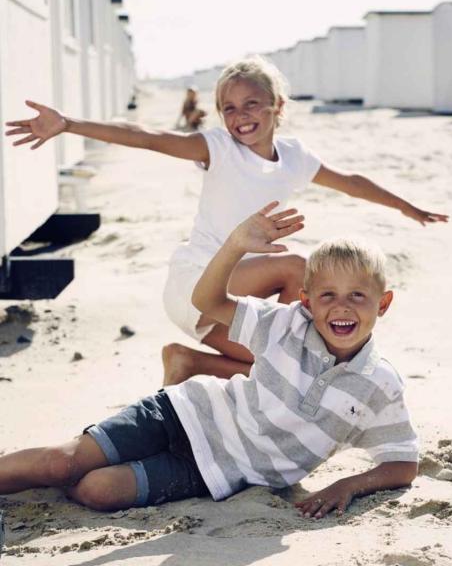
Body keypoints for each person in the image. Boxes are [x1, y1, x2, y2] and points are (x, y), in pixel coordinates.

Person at [4, 56, 448, 386]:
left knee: (291, 368)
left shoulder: (294, 157)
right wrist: (68, 124)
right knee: (298, 267)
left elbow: (350, 181)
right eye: (229, 108)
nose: (240, 117)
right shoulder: (217, 148)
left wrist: (405, 206)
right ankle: (291, 344)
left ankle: (187, 363)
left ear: (278, 105)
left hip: (228, 299)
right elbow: (148, 137)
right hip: (197, 283)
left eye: (252, 104)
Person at [0, 203, 418, 517]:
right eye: (327, 295)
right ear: (307, 301)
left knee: (97, 491)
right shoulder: (284, 324)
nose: (341, 308)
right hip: (183, 413)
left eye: (357, 297)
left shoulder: (379, 384)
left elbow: (402, 462)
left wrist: (350, 484)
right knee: (61, 463)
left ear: (383, 304)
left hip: (215, 472)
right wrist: (236, 245)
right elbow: (206, 301)